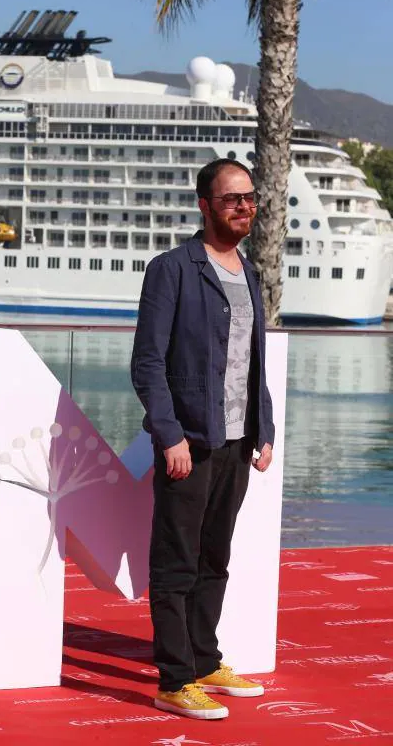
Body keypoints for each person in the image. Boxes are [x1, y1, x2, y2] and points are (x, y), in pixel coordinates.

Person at [131, 158, 275, 721]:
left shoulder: (249, 273)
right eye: (232, 198)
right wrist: (168, 435)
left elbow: (250, 364)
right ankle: (174, 678)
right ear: (205, 205)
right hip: (189, 439)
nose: (244, 207)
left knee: (215, 557)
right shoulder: (172, 270)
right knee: (176, 562)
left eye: (250, 198)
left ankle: (205, 659)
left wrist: (262, 429)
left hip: (237, 442)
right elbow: (148, 363)